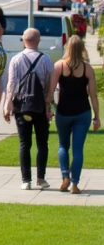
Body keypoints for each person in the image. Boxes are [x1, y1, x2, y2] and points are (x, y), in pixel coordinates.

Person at [3, 27, 54, 190]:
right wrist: (49, 105)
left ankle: (26, 180)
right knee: (42, 143)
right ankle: (41, 178)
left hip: (22, 106)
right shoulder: (45, 59)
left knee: (25, 143)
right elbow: (50, 86)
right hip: (40, 107)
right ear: (38, 41)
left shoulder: (16, 59)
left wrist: (7, 104)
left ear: (24, 41)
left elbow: (11, 84)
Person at [50, 35, 101, 193]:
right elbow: (93, 95)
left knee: (63, 146)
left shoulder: (59, 65)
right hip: (82, 113)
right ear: (82, 49)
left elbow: (50, 91)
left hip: (63, 112)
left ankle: (65, 175)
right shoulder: (87, 68)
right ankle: (74, 184)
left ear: (67, 47)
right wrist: (96, 117)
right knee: (78, 149)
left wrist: (48, 107)